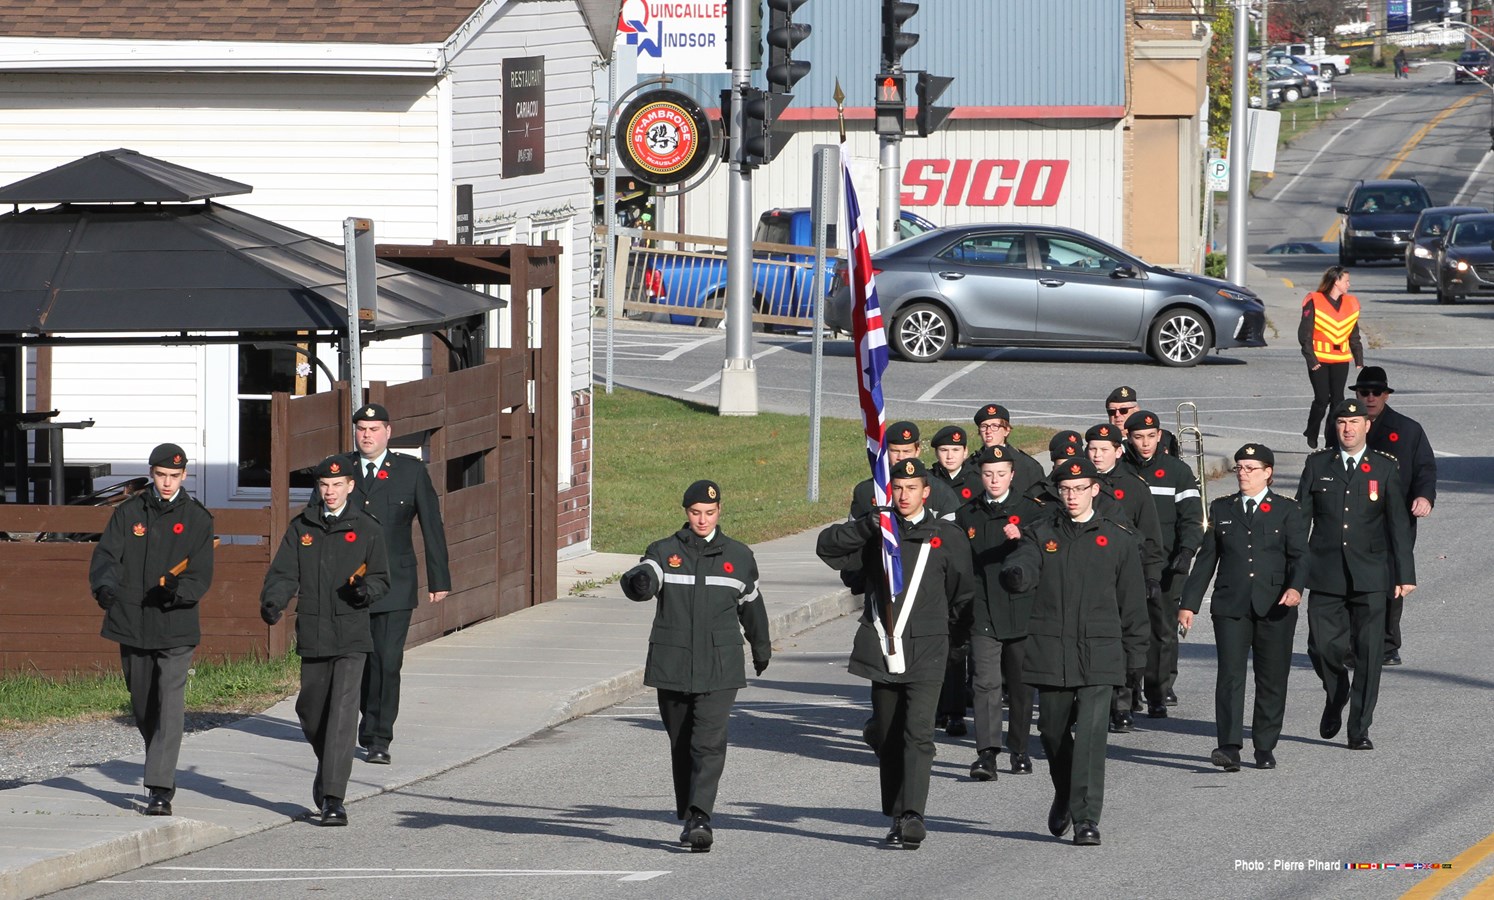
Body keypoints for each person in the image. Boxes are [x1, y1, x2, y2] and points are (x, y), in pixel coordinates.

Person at [817, 457, 975, 849]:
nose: (904, 495)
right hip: (883, 648)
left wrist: (953, 642)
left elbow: (962, 594)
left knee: (918, 734)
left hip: (928, 649)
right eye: (898, 489)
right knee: (887, 735)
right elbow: (828, 549)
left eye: (912, 488)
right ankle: (896, 810)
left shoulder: (947, 536)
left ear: (926, 492)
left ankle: (913, 814)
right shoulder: (876, 532)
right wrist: (865, 526)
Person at [1002, 457, 1148, 847]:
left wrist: (1136, 657)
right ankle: (1065, 790)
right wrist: (1016, 574)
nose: (1071, 496)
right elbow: (1024, 560)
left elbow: (1133, 603)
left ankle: (1086, 819)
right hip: (1052, 649)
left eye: (1079, 489)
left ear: (1094, 490)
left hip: (1100, 651)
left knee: (1090, 737)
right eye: (1065, 489)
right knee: (1051, 732)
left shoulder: (1118, 538)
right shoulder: (1042, 533)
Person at [620, 480, 771, 853]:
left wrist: (761, 647)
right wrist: (638, 582)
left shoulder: (739, 555)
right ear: (686, 513)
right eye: (695, 513)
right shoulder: (665, 552)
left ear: (720, 512)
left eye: (709, 513)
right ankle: (690, 815)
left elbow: (752, 605)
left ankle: (701, 817)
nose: (702, 520)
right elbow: (646, 577)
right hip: (673, 664)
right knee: (682, 741)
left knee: (708, 741)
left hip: (720, 666)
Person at [261, 455, 391, 826]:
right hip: (314, 635)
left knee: (343, 717)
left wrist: (365, 591)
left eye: (337, 485)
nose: (330, 491)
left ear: (350, 486)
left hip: (352, 636)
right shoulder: (302, 527)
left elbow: (382, 578)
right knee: (311, 712)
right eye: (324, 485)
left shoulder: (367, 528)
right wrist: (274, 601)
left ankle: (334, 799)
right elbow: (284, 573)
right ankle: (330, 766)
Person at [88, 443, 216, 817]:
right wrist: (104, 587)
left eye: (174, 476)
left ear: (184, 476)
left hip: (176, 624)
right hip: (132, 621)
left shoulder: (197, 518)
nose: (167, 482)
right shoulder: (129, 512)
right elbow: (107, 556)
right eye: (161, 475)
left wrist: (178, 591)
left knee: (170, 704)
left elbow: (201, 574)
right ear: (151, 474)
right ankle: (159, 761)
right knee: (144, 706)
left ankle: (160, 788)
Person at [1180, 444, 1308, 771]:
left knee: (1272, 678)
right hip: (1231, 604)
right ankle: (1229, 746)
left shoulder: (1288, 510)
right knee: (1230, 676)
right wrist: (1188, 604)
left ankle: (1264, 745)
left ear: (1268, 473)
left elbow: (1300, 557)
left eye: (1251, 468)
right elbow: (1206, 560)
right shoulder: (1222, 508)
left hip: (1275, 605)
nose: (1243, 474)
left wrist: (1295, 588)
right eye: (1239, 467)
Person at [1298, 400, 1415, 751]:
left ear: (1367, 425)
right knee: (1321, 647)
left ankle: (1359, 728)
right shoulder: (1318, 465)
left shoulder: (1384, 467)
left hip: (1371, 574)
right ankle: (1337, 693)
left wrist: (1404, 573)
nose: (1347, 429)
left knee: (1369, 653)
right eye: (1341, 422)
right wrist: (1292, 573)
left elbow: (1398, 525)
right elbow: (1300, 521)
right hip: (1326, 572)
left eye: (1354, 422)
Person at [348, 403, 450, 766]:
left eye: (374, 429)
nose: (367, 435)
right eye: (361, 429)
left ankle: (378, 737)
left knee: (387, 661)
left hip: (395, 583)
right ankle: (364, 718)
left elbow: (431, 524)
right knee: (360, 661)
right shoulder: (339, 470)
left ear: (388, 432)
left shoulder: (410, 471)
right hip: (350, 585)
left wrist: (439, 578)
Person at [956, 446, 1047, 781]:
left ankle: (1019, 749)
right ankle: (987, 753)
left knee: (1021, 685)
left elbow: (1048, 551)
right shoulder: (968, 514)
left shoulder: (1031, 510)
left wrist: (1024, 535)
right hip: (983, 609)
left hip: (1022, 609)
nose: (994, 480)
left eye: (1001, 473)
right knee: (985, 682)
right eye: (988, 474)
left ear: (1012, 475)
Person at [1084, 423, 1166, 734]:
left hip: (1123, 575)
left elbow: (1151, 538)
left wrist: (1151, 577)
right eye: (1092, 449)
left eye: (1104, 449)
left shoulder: (1133, 487)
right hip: (1085, 575)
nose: (1097, 455)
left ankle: (1121, 703)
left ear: (1118, 452)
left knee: (1122, 640)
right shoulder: (1074, 484)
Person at [1121, 411, 1203, 716]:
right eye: (1138, 437)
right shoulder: (1120, 471)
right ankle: (1129, 692)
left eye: (1150, 436)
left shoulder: (1177, 471)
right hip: (1128, 565)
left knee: (1162, 630)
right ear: (1128, 438)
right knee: (1128, 630)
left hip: (1167, 564)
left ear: (1159, 436)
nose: (1145, 443)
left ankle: (1158, 691)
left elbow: (1192, 518)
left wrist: (1187, 551)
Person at [1355, 366, 1435, 667]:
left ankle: (1388, 644)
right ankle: (1354, 643)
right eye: (1365, 392)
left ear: (1386, 395)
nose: (1370, 397)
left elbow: (1425, 468)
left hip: (1395, 518)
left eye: (1377, 392)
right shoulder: (1344, 426)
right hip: (1354, 517)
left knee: (1392, 579)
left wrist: (1424, 496)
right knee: (1353, 580)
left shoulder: (1408, 429)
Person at [1298, 266, 1364, 450]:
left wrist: (1358, 358)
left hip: (1340, 359)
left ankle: (1331, 440)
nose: (1349, 285)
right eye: (1346, 281)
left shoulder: (1351, 303)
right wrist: (1311, 360)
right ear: (1336, 281)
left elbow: (1354, 334)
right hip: (1319, 359)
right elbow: (1305, 333)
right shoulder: (1315, 300)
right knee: (1321, 399)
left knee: (1338, 400)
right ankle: (1312, 430)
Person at [972, 404, 1044, 498]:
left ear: (1007, 430)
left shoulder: (1028, 466)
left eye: (995, 426)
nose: (988, 431)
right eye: (984, 426)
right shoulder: (970, 466)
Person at [1103, 386, 1179, 457]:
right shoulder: (1102, 440)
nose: (1117, 415)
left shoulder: (1164, 437)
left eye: (1123, 410)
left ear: (1136, 410)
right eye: (1112, 412)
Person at [929, 425, 982, 506]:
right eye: (944, 450)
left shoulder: (977, 483)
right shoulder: (927, 480)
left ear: (965, 452)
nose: (950, 456)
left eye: (955, 450)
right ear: (936, 453)